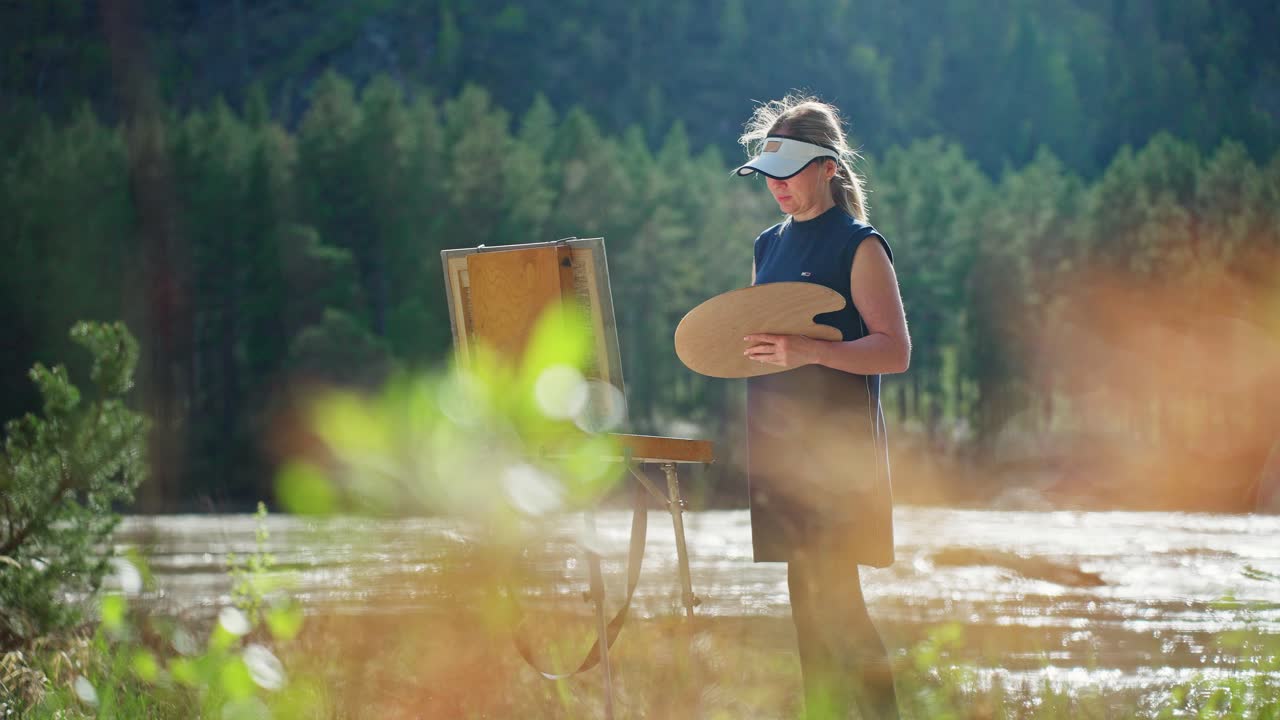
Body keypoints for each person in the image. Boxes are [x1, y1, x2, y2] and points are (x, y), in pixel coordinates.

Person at [733, 95, 911, 719]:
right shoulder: (766, 246)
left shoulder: (859, 246)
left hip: (839, 458)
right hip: (783, 457)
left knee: (838, 608)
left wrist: (807, 350)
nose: (776, 186)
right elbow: (762, 344)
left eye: (789, 172)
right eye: (768, 175)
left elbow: (894, 351)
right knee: (807, 608)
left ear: (827, 168)